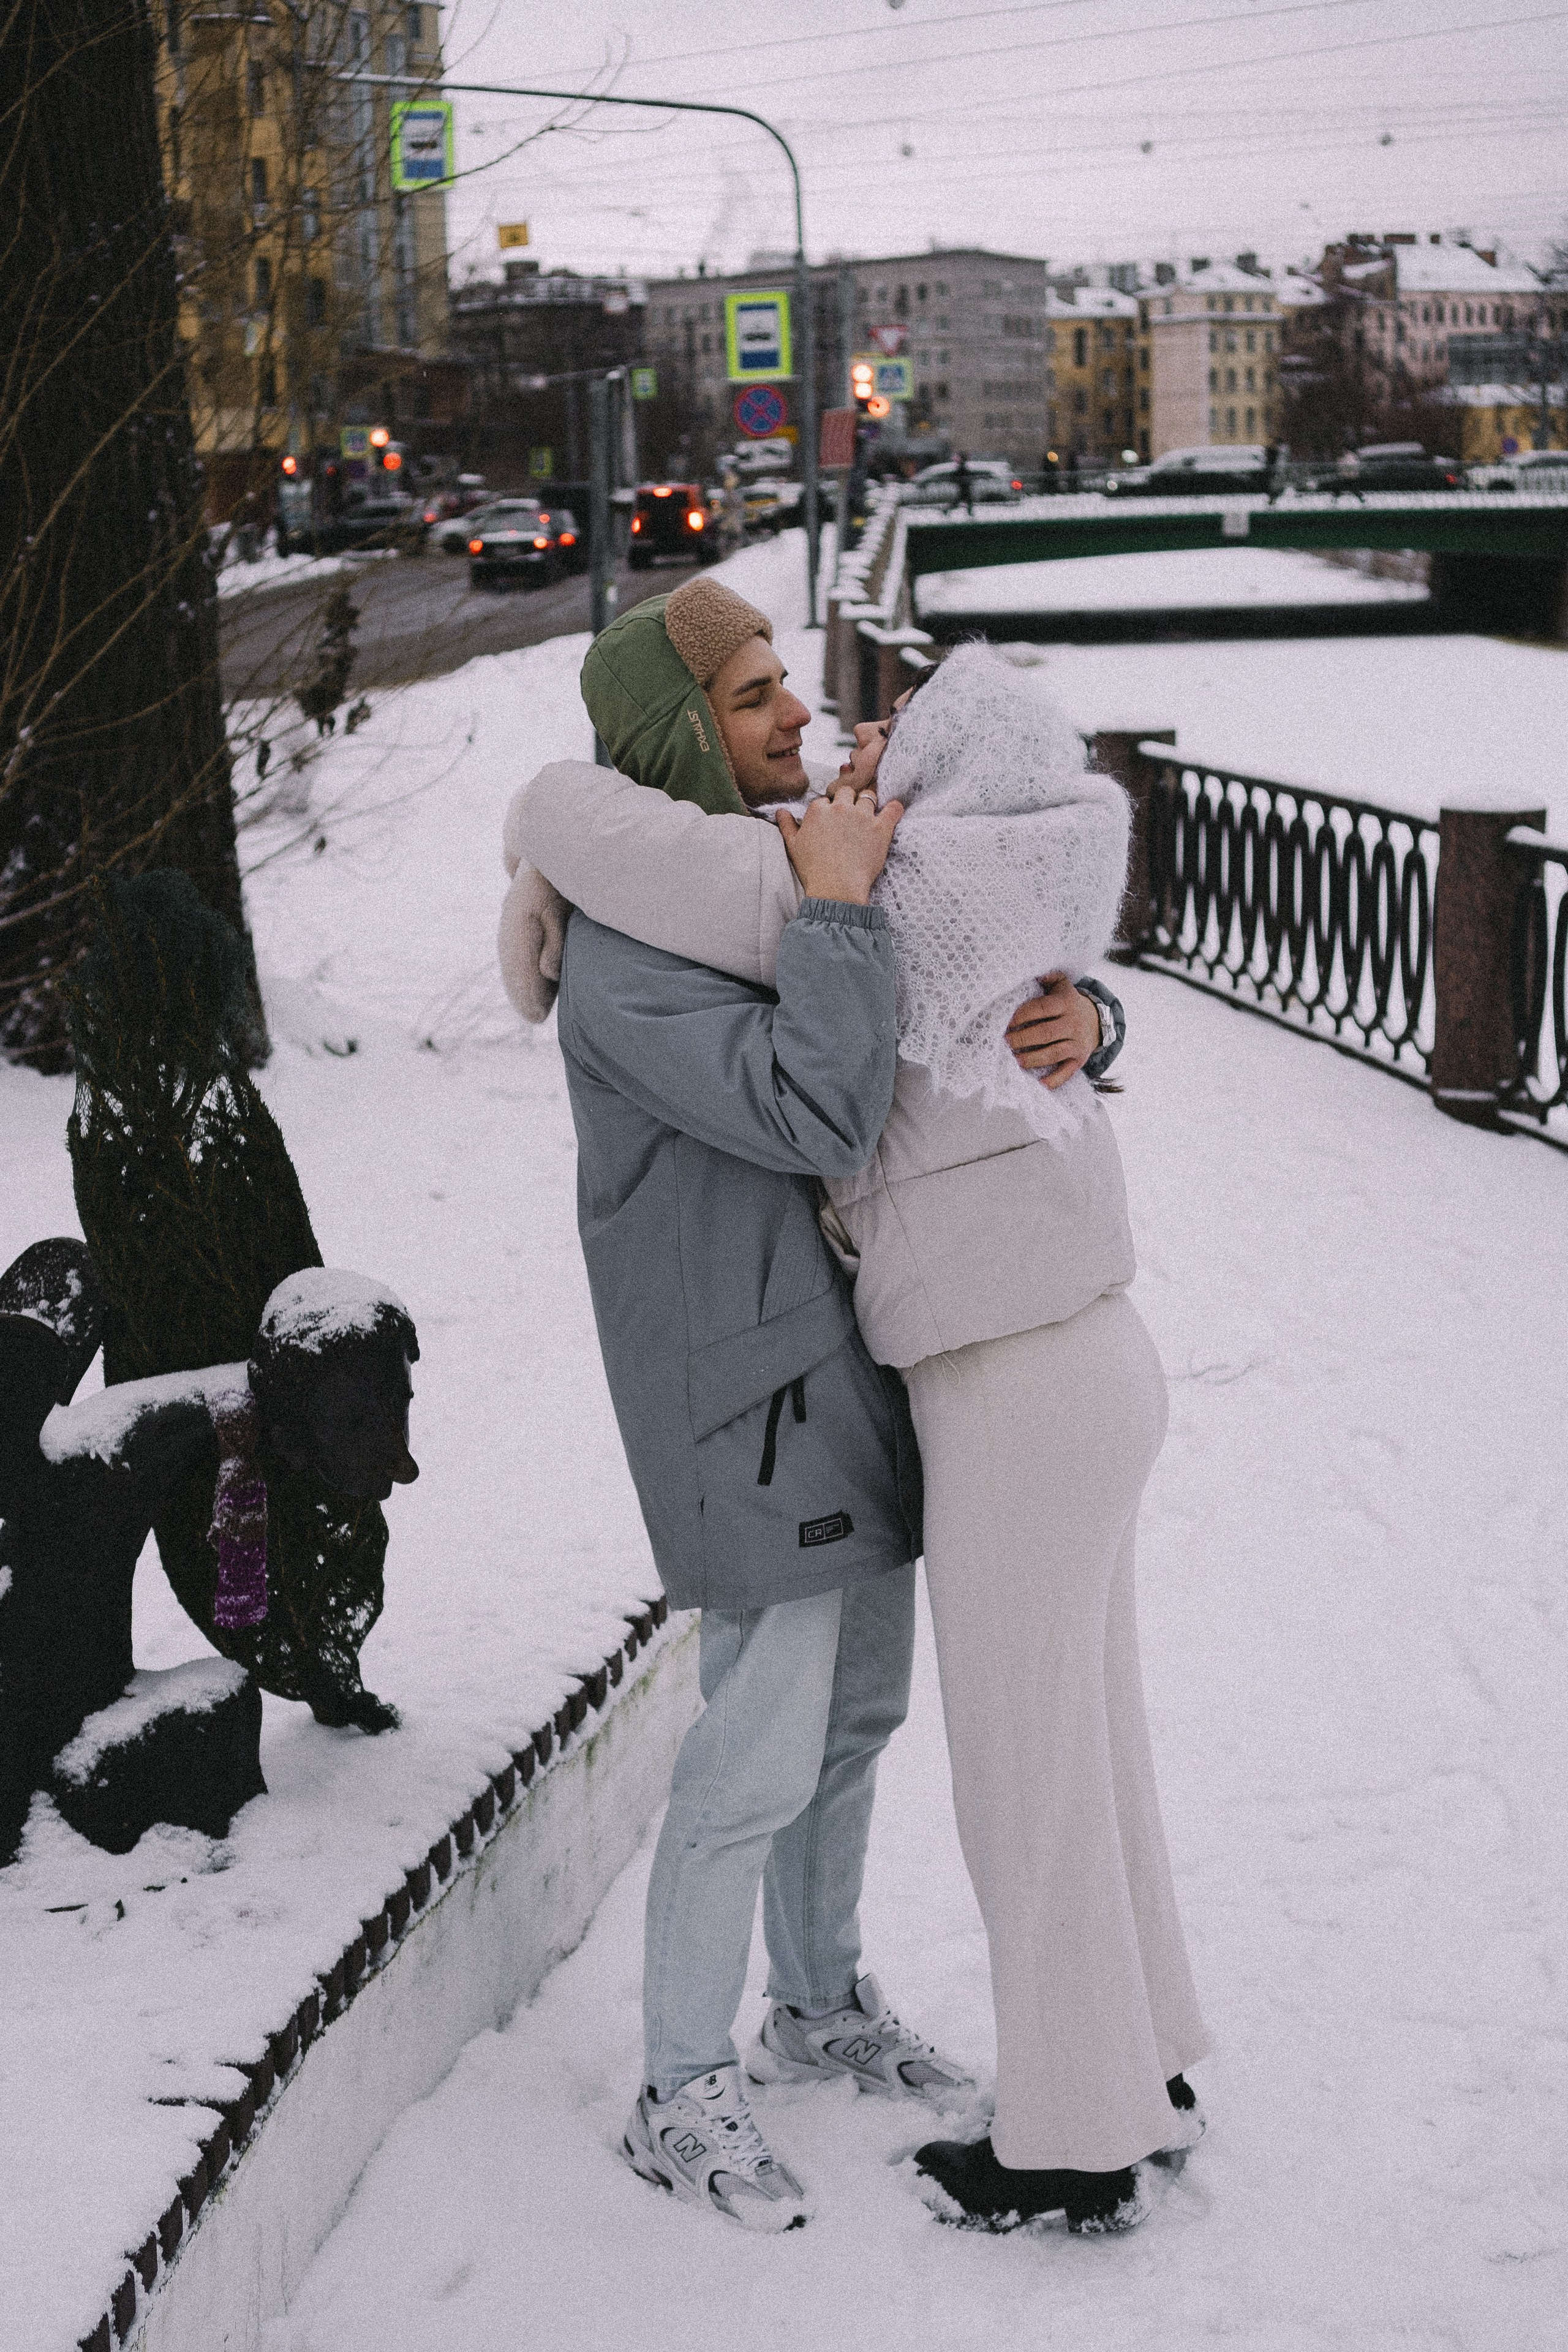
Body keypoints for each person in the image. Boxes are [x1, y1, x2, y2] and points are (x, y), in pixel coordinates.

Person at [503, 593, 1184, 2240]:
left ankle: (817, 2001)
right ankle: (680, 2082)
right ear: (680, 731)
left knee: (858, 1720)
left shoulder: (781, 869)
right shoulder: (632, 954)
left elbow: (969, 971)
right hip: (750, 1397)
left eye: (786, 688)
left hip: (872, 1375)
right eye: (753, 697)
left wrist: (1090, 1015)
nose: (799, 718)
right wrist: (831, 903)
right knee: (753, 1751)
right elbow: (822, 1099)